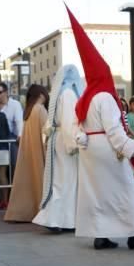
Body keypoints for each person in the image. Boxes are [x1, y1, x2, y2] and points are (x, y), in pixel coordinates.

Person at [65, 6, 134, 251]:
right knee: (125, 190)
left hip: (90, 151)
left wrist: (80, 139)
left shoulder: (85, 96)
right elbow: (114, 130)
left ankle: (101, 235)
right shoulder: (105, 97)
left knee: (97, 193)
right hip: (108, 149)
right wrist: (132, 149)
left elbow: (75, 125)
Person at [32, 65, 83, 233]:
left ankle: (65, 220)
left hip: (60, 139)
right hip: (65, 141)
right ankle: (54, 219)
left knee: (63, 182)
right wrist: (73, 143)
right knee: (64, 182)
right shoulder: (69, 94)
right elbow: (69, 121)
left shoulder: (61, 93)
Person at [4, 84, 48, 222]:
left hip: (29, 151)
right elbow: (46, 133)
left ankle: (21, 213)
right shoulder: (40, 109)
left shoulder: (28, 111)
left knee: (28, 183)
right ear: (41, 95)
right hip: (38, 151)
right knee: (40, 182)